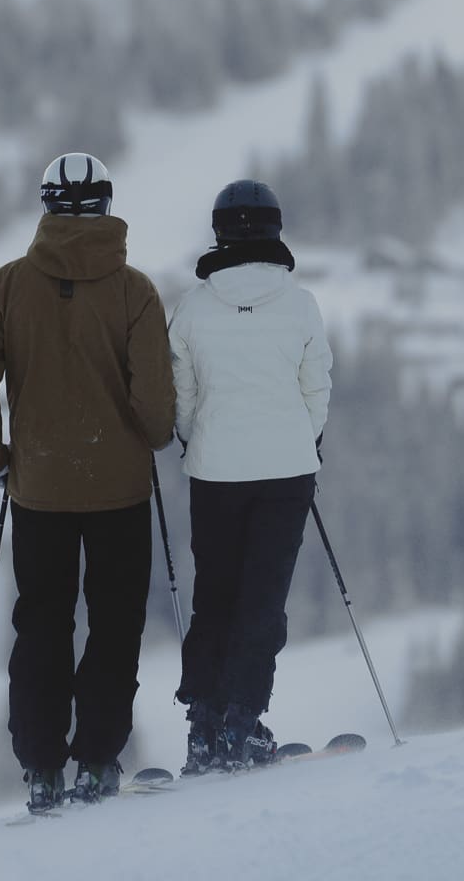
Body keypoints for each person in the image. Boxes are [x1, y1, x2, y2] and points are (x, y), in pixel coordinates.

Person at [0, 151, 175, 812]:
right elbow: (155, 406)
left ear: (47, 204)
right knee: (115, 624)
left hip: (39, 490)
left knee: (42, 625)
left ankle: (42, 768)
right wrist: (149, 436)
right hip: (120, 490)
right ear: (105, 204)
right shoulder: (135, 292)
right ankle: (98, 760)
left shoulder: (5, 287)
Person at [169, 178, 331, 773]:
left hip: (215, 474)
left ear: (219, 233)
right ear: (275, 229)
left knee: (214, 595)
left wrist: (199, 439)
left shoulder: (192, 307)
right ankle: (243, 724)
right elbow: (316, 390)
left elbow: (182, 396)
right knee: (262, 599)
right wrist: (304, 441)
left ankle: (204, 725)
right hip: (286, 474)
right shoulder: (301, 304)